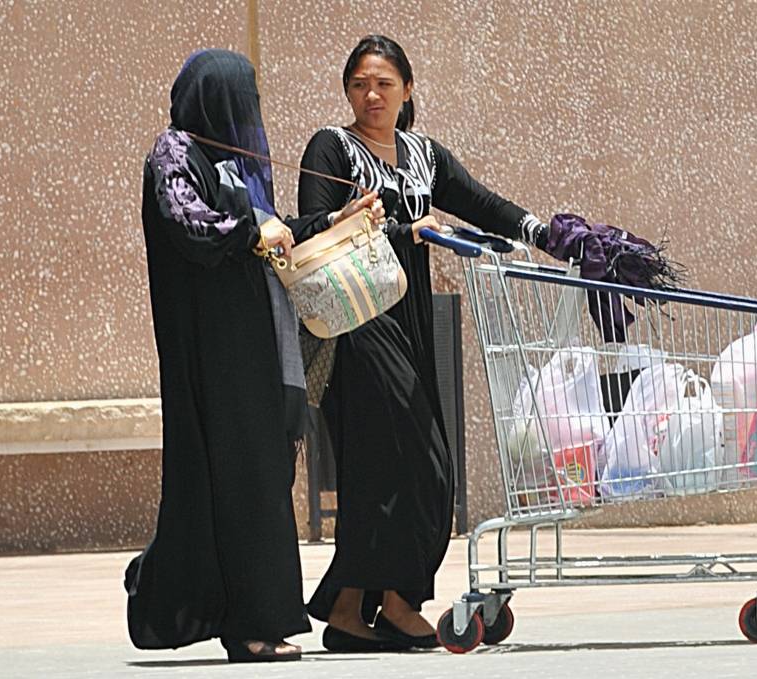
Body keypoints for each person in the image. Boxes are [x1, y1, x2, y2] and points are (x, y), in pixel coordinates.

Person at [296, 35, 552, 653]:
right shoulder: (332, 147)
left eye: (384, 83)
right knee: (420, 461)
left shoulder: (422, 155)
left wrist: (546, 234)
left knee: (383, 471)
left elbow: (480, 203)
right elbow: (305, 230)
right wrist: (356, 222)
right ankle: (395, 600)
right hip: (358, 326)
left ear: (407, 89)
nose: (371, 95)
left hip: (410, 320)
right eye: (360, 84)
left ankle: (356, 610)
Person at [123, 49, 380, 663]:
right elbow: (190, 222)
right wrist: (249, 233)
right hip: (212, 357)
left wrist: (331, 220)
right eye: (240, 99)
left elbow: (272, 228)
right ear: (213, 97)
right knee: (237, 485)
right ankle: (249, 624)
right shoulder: (175, 152)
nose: (248, 112)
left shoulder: (236, 164)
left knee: (260, 484)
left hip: (256, 352)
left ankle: (192, 596)